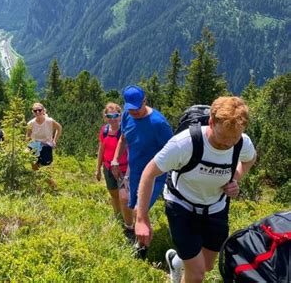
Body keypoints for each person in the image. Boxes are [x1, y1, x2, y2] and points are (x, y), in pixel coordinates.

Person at [135, 96, 256, 283]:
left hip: (216, 206)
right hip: (182, 207)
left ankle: (176, 262)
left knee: (207, 265)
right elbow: (149, 173)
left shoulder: (241, 143)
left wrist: (235, 178)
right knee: (197, 273)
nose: (227, 144)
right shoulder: (184, 144)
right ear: (211, 122)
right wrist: (142, 219)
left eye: (233, 139)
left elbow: (249, 159)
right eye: (223, 137)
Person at [111, 85, 173, 257]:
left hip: (155, 175)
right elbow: (123, 139)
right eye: (130, 109)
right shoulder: (126, 116)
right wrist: (116, 158)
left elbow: (173, 150)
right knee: (130, 204)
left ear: (145, 101)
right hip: (135, 171)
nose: (134, 112)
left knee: (140, 210)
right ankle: (134, 232)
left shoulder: (159, 123)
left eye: (137, 108)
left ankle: (141, 249)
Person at [95, 102, 134, 238]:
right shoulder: (104, 130)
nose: (112, 118)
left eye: (115, 115)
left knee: (125, 196)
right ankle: (118, 216)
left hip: (123, 169)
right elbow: (101, 149)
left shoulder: (125, 131)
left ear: (120, 116)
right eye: (109, 115)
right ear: (105, 117)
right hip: (107, 167)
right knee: (113, 194)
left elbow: (132, 151)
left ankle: (128, 221)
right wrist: (98, 168)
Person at [26, 102, 62, 170]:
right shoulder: (31, 123)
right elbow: (28, 135)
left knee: (46, 171)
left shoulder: (49, 121)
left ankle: (50, 179)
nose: (37, 112)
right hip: (35, 146)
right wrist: (27, 147)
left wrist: (54, 140)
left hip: (46, 146)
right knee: (35, 169)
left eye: (39, 110)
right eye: (35, 111)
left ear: (43, 110)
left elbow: (59, 128)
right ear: (33, 112)